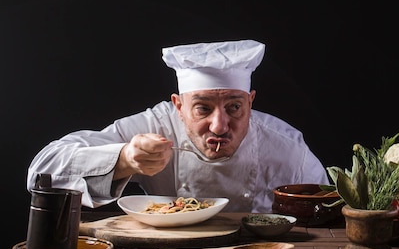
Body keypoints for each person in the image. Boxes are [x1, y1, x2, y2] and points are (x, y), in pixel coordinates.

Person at [27, 40, 329, 212]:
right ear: (179, 106)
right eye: (203, 108)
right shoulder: (155, 127)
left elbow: (330, 212)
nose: (219, 126)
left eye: (234, 107)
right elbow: (42, 172)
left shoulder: (288, 148)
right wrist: (123, 160)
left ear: (251, 102)